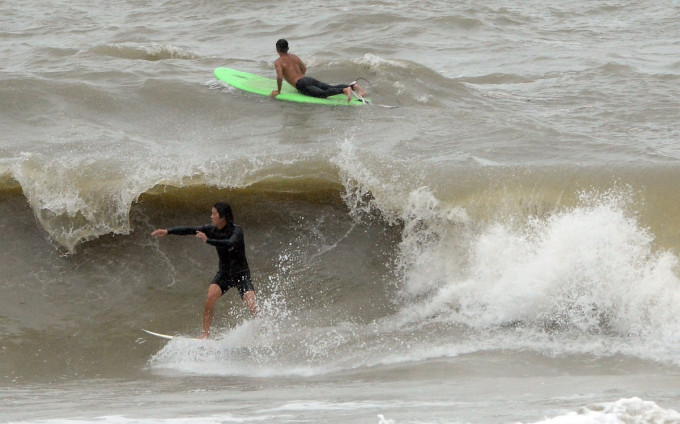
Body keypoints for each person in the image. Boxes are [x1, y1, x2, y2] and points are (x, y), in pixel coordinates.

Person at [151, 202, 257, 339]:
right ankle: (205, 334)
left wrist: (208, 241)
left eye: (214, 213)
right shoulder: (211, 229)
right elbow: (189, 230)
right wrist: (167, 231)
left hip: (241, 274)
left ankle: (263, 330)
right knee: (210, 297)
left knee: (252, 304)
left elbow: (229, 243)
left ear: (223, 216)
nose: (211, 216)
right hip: (224, 274)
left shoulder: (237, 231)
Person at [270, 38, 367, 103]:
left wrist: (278, 91)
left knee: (322, 94)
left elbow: (279, 77)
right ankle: (353, 86)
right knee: (328, 87)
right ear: (288, 48)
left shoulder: (278, 62)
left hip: (301, 84)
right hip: (307, 79)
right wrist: (302, 78)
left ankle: (344, 90)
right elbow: (303, 68)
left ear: (276, 49)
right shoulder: (294, 57)